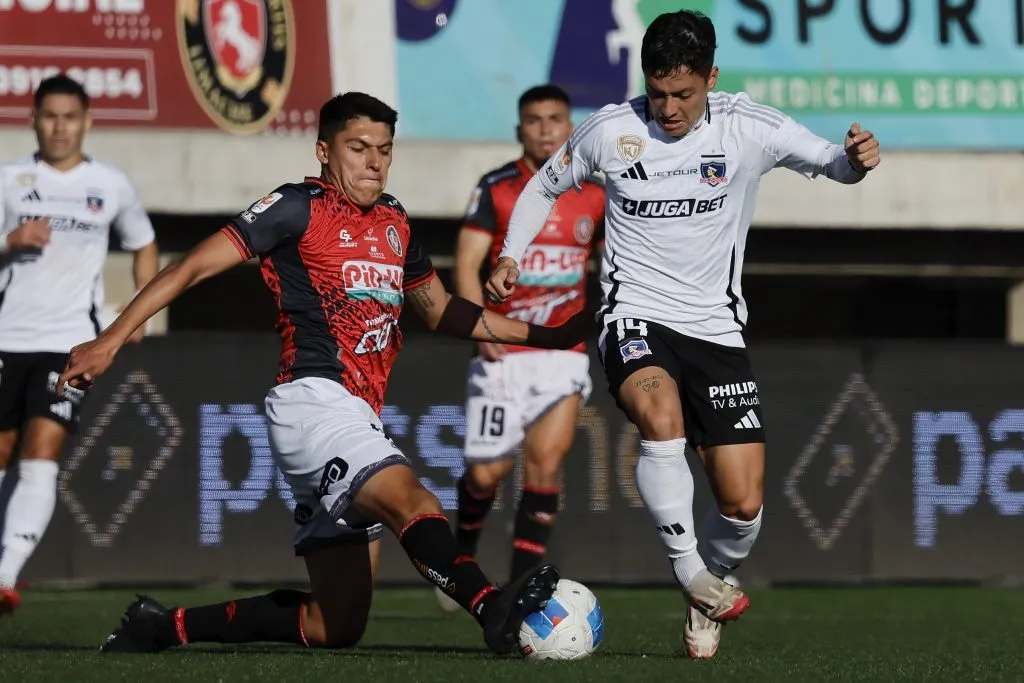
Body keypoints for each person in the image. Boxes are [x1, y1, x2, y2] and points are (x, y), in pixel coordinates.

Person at [58, 92, 588, 656]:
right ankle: (490, 605)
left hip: (355, 414)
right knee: (415, 503)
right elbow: (191, 266)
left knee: (335, 625)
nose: (374, 163)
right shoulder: (296, 206)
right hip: (312, 402)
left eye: (384, 151)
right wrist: (109, 340)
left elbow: (437, 309)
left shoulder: (395, 221)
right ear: (323, 151)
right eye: (358, 148)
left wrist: (547, 335)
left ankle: (165, 628)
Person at [485, 10, 881, 659]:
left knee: (743, 502)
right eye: (659, 92)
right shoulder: (612, 129)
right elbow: (543, 185)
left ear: (711, 78)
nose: (668, 107)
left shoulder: (748, 126)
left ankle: (711, 585)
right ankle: (689, 569)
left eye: (684, 94)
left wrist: (856, 161)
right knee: (659, 412)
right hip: (632, 315)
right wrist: (511, 255)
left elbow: (830, 161)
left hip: (715, 329)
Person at [435, 85, 605, 614]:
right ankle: (458, 559)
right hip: (503, 350)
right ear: (519, 129)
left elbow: (612, 263)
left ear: (569, 125)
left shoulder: (596, 192)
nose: (546, 129)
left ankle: (517, 591)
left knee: (545, 466)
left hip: (563, 352)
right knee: (486, 475)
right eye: (535, 120)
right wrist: (479, 328)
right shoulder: (498, 188)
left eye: (556, 119)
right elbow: (467, 263)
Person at [0, 74, 159, 616]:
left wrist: (138, 311)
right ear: (34, 120)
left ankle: (6, 576)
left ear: (87, 121)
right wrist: (10, 242)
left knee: (43, 447)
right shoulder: (10, 180)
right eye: (50, 116)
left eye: (70, 116)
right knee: (3, 455)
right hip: (7, 337)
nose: (60, 126)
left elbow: (144, 242)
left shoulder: (111, 184)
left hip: (68, 342)